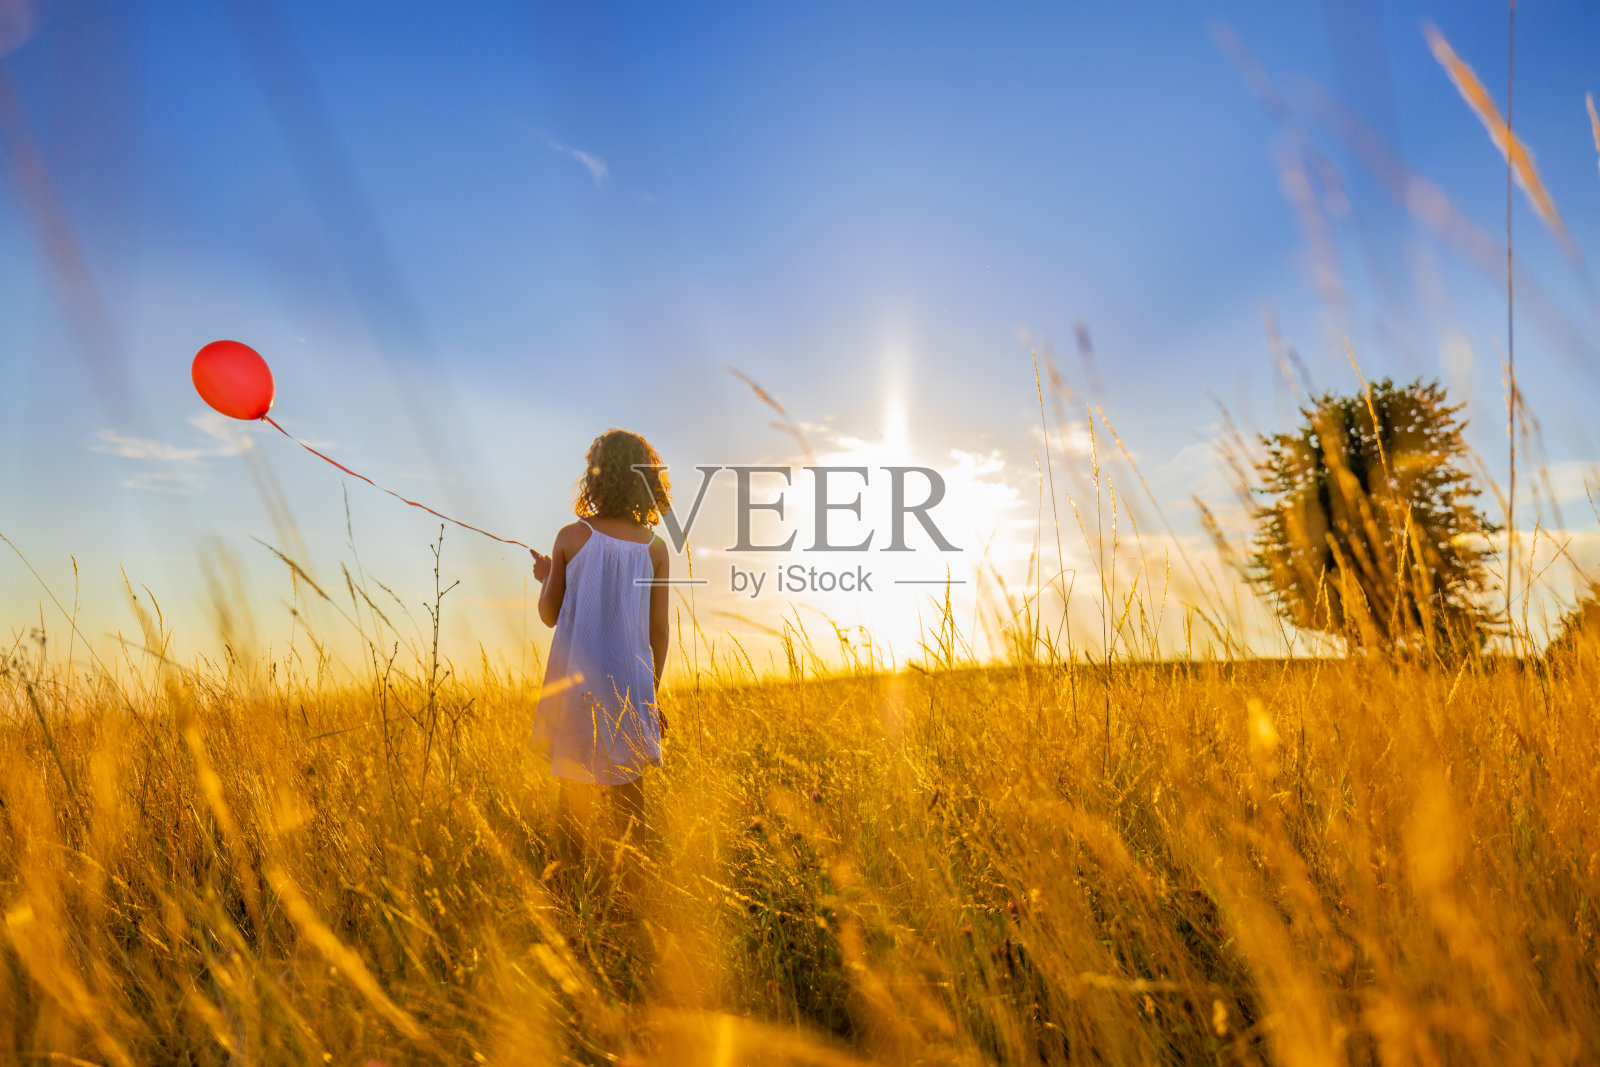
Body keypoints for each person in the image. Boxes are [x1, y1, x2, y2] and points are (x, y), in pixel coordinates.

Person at [532, 429, 671, 858]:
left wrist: (548, 577)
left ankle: (570, 899)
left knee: (572, 799)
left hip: (579, 687)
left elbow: (550, 614)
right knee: (630, 802)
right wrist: (650, 696)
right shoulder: (656, 548)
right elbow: (659, 632)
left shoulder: (570, 538)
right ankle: (635, 898)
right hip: (631, 689)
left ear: (595, 478)